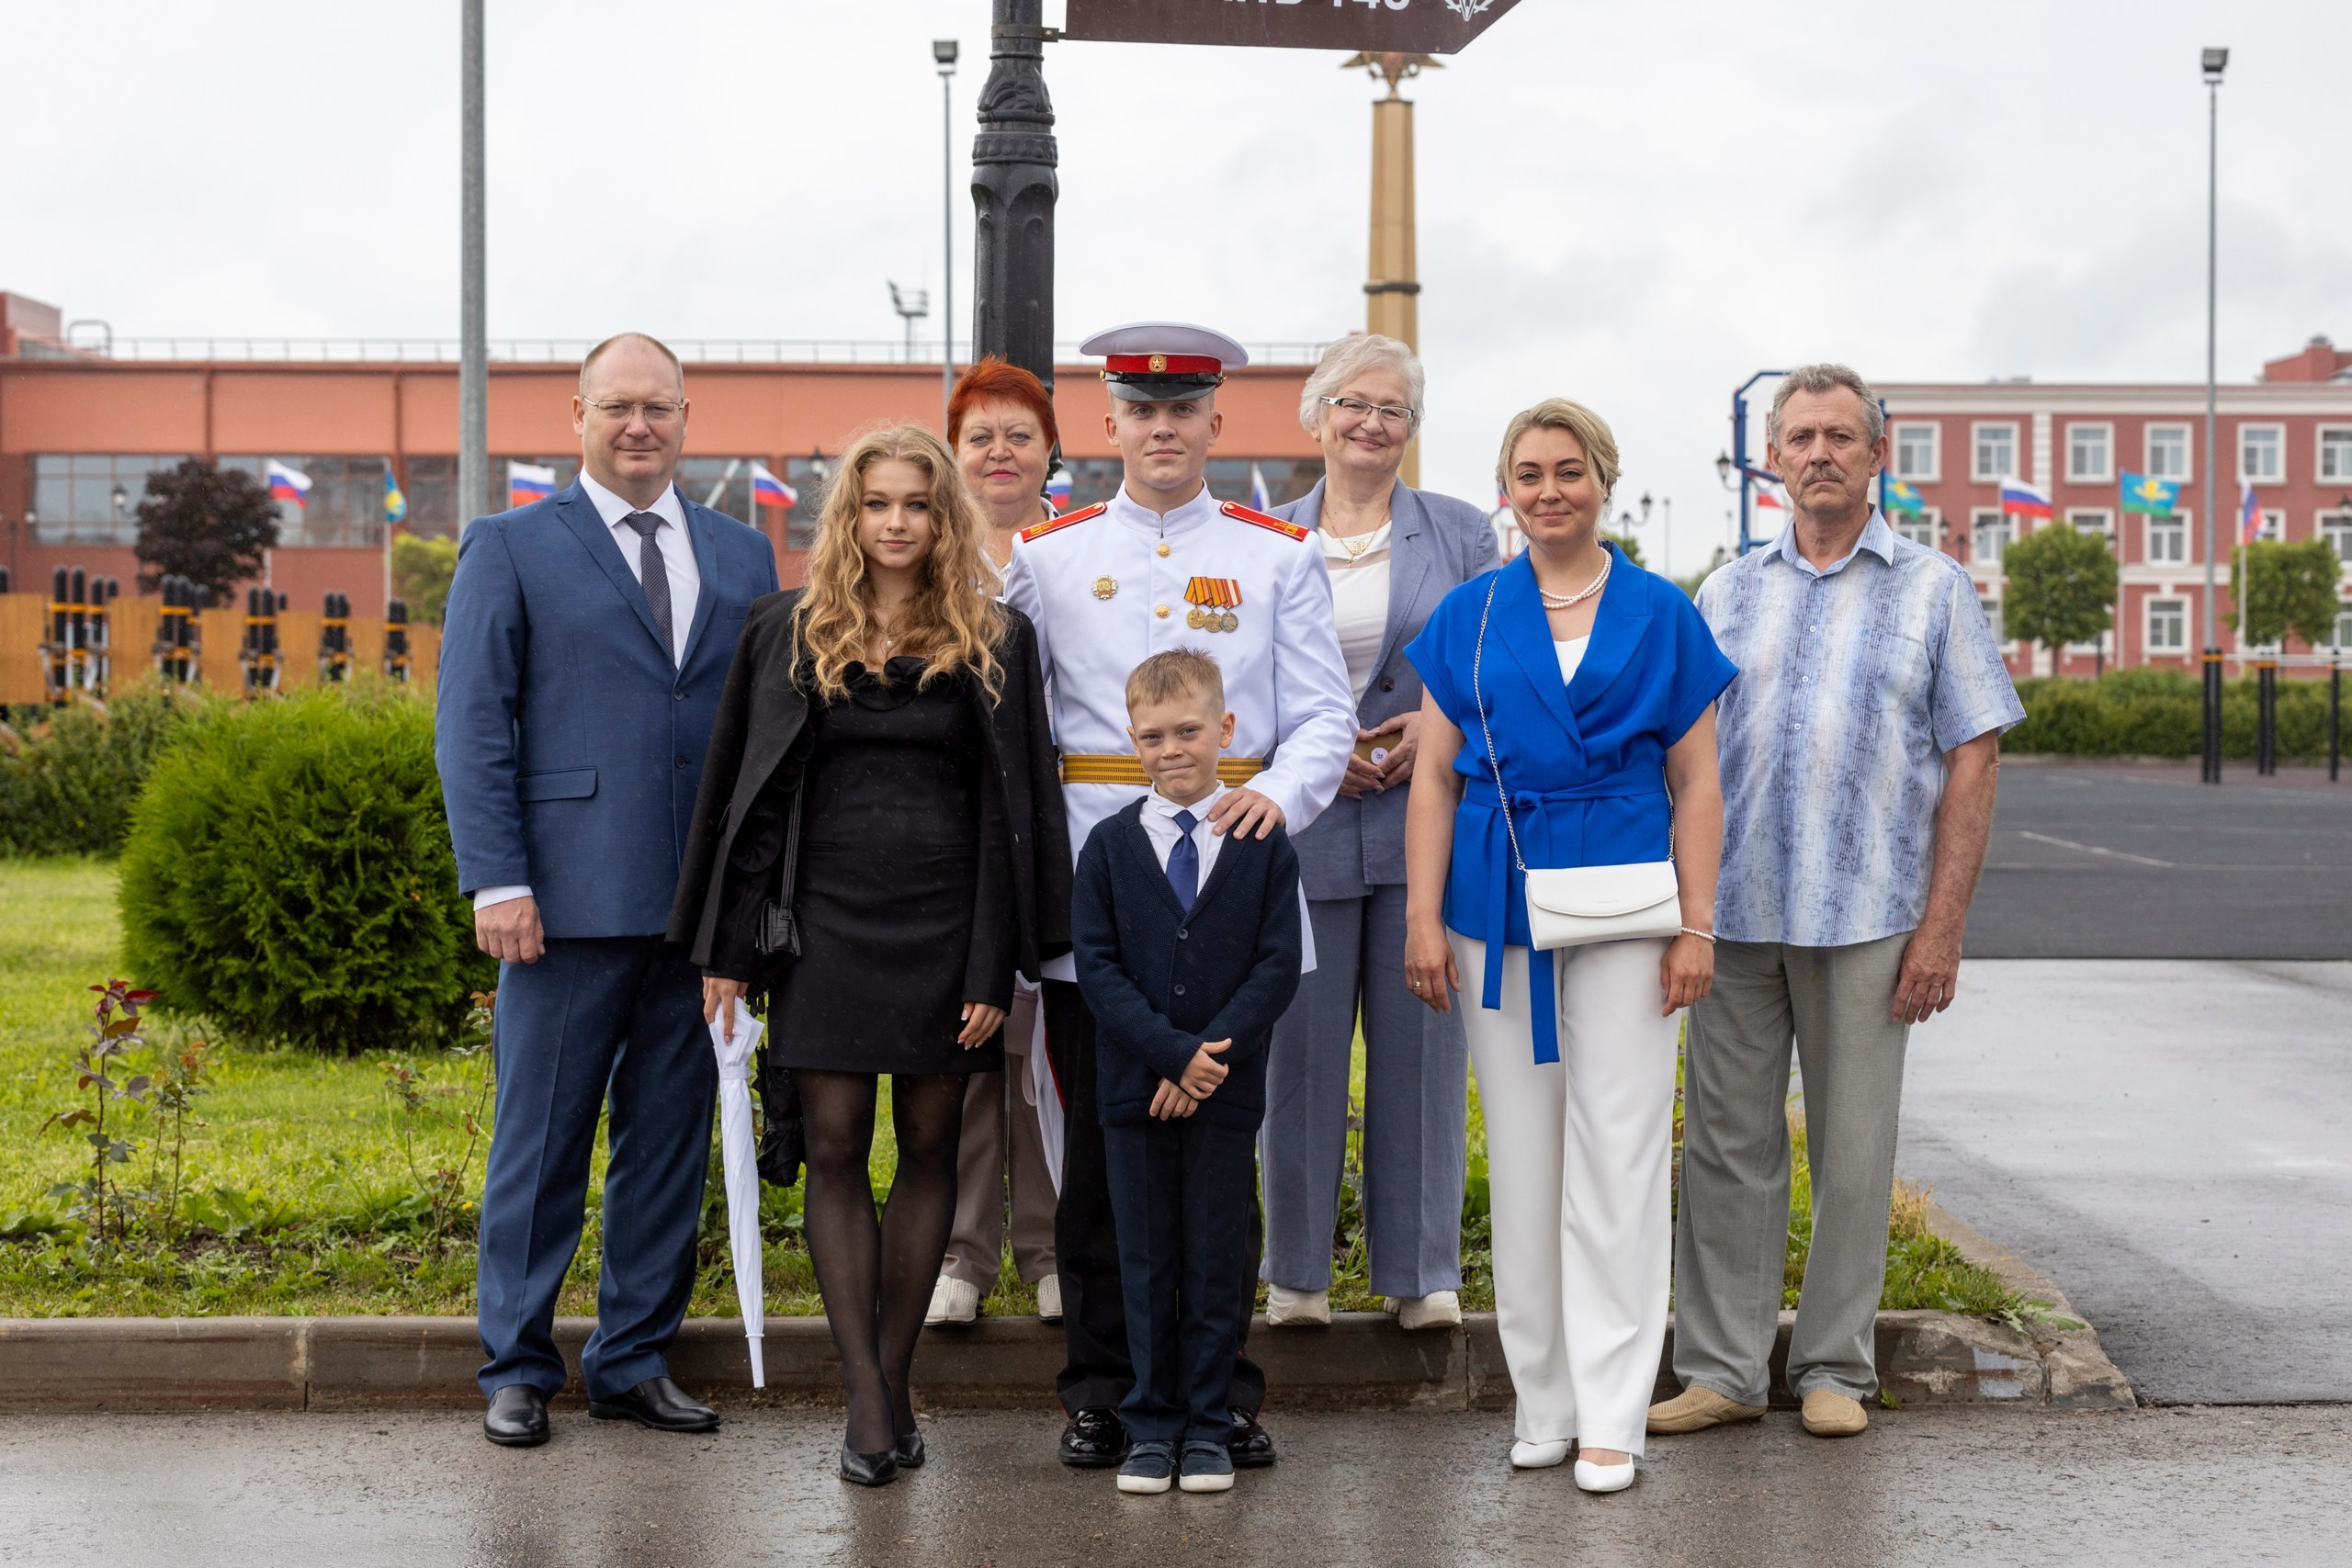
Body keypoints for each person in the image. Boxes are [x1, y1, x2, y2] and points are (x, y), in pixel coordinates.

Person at [670, 423, 1067, 1485]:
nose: (897, 523)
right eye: (878, 504)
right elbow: (745, 802)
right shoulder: (783, 631)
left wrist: (995, 965)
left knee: (932, 1149)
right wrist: (729, 950)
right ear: (849, 516)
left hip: (947, 928)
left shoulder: (997, 637)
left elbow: (1012, 811)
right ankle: (866, 1399)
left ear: (946, 519)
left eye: (918, 505)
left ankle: (890, 1382)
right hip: (823, 928)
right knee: (837, 1148)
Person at [1003, 321, 1355, 1472]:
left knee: (1218, 1158)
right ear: (1106, 426)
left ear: (1215, 423)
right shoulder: (1047, 557)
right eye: (1139, 411)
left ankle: (1222, 1394)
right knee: (1100, 1165)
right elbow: (1020, 728)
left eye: (1183, 411)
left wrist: (1282, 803)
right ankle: (1105, 1388)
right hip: (1094, 892)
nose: (1161, 429)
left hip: (1230, 883)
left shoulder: (1275, 554)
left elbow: (1320, 717)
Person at [1652, 364, 2022, 1442]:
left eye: (1837, 437)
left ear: (1874, 456)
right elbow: (1684, 756)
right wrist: (1684, 911)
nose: (1817, 453)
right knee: (1726, 1146)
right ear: (1771, 457)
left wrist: (1941, 930)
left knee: (1853, 1153)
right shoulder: (1725, 591)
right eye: (1798, 436)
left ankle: (1832, 1372)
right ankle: (1721, 1370)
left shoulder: (1933, 588)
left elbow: (1974, 760)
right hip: (1734, 914)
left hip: (1870, 916)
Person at [436, 333, 780, 1449]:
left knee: (668, 1141)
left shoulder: (741, 555)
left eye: (660, 408)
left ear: (689, 417)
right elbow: (474, 725)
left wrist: (751, 901)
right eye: (618, 407)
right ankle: (520, 1365)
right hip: (562, 906)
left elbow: (758, 737)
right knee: (540, 1143)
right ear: (575, 414)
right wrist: (497, 879)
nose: (640, 426)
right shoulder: (510, 545)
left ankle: (633, 1359)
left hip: (695, 908)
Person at [1402, 398, 1736, 1494]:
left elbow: (1697, 783)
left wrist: (1698, 924)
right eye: (1528, 473)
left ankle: (1613, 1413)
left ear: (1604, 479)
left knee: (1622, 1158)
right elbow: (1433, 779)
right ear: (1508, 488)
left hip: (1632, 908)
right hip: (1492, 906)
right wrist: (1420, 918)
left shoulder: (1662, 610)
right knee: (1527, 1160)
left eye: (1569, 470)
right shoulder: (1473, 614)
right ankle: (1540, 1399)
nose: (1549, 491)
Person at [1260, 334, 1498, 1331]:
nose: (1371, 424)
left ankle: (1421, 1274)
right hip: (1305, 827)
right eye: (1352, 404)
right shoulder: (1261, 536)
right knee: (1297, 1060)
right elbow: (1235, 675)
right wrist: (1308, 745)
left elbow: (1491, 660)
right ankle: (1298, 1278)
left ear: (1411, 427)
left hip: (1422, 824)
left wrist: (1431, 726)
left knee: (1422, 1056)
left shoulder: (1463, 533)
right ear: (1316, 417)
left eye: (1392, 410)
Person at [1073, 649, 1304, 1496]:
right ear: (1132, 741)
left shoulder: (1260, 840)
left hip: (1225, 1093)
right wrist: (1172, 1055)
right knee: (1145, 1260)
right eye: (1154, 735)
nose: (1173, 749)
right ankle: (1151, 1424)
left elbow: (1277, 966)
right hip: (1136, 1094)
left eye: (1190, 731)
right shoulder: (1106, 847)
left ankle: (1209, 1425)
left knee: (1213, 1259)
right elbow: (1097, 971)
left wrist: (1208, 1059)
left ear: (1225, 731)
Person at [925, 356, 1068, 1330]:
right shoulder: (923, 555)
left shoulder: (1086, 551)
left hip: (1061, 825)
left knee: (1047, 1048)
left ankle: (1052, 1247)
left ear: (1052, 452)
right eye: (981, 436)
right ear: (953, 452)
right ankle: (963, 1254)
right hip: (953, 836)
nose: (1000, 452)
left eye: (1019, 434)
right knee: (969, 1045)